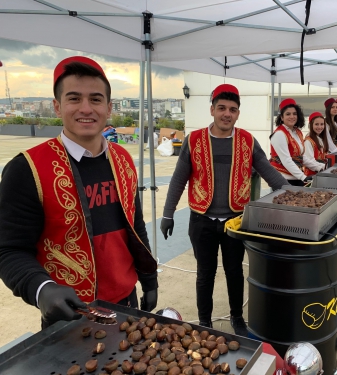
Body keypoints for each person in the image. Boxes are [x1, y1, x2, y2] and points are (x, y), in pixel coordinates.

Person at [0, 56, 158, 329]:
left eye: (96, 99)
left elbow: (135, 225)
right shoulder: (27, 169)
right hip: (71, 312)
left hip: (126, 301)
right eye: (74, 98)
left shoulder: (122, 159)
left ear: (109, 108)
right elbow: (9, 250)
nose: (86, 108)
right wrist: (42, 288)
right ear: (57, 106)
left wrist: (148, 277)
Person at [160, 84, 288, 336]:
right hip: (201, 220)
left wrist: (292, 195)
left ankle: (237, 317)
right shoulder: (194, 139)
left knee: (234, 271)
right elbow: (178, 179)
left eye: (232, 109)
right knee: (204, 273)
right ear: (212, 110)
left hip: (235, 222)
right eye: (221, 108)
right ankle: (205, 321)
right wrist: (167, 213)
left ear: (238, 113)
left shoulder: (248, 141)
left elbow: (269, 172)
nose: (226, 114)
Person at [270, 98, 316, 185]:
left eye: (294, 114)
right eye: (288, 114)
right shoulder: (279, 134)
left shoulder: (297, 132)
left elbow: (301, 157)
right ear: (282, 117)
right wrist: (303, 177)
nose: (292, 116)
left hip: (296, 176)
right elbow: (286, 160)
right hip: (283, 179)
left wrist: (319, 167)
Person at [303, 112, 328, 176]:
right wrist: (325, 167)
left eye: (322, 124)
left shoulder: (321, 139)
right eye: (316, 124)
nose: (319, 127)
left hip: (321, 173)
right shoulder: (308, 141)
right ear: (311, 125)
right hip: (312, 175)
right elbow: (309, 161)